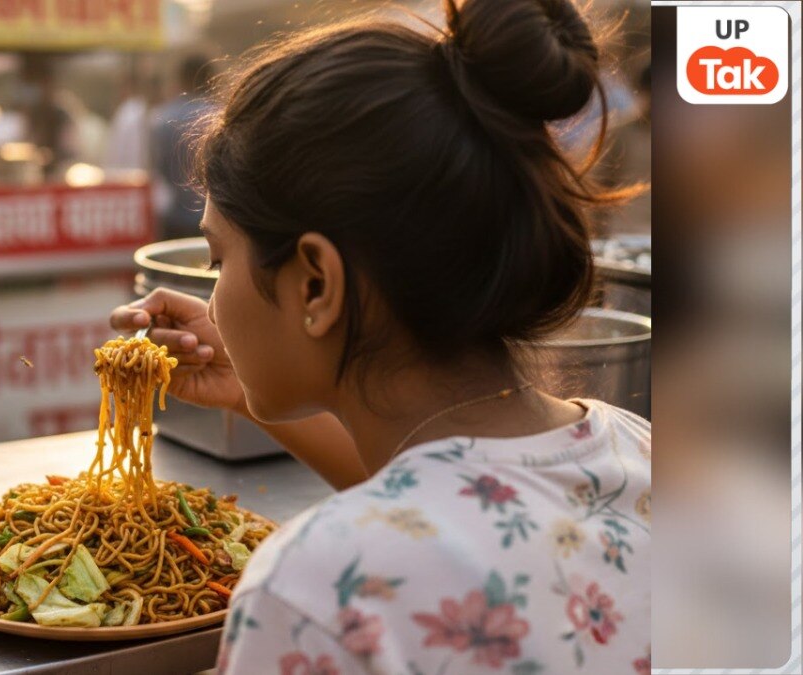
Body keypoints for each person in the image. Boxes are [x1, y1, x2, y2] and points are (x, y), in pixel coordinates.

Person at [110, 1, 650, 673]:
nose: (213, 300)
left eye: (218, 261)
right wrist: (247, 389)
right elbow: (458, 502)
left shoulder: (314, 593)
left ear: (315, 285)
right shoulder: (647, 451)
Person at [149, 55, 213, 240]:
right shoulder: (219, 116)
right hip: (213, 219)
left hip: (174, 217)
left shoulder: (162, 118)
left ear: (181, 79)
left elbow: (158, 170)